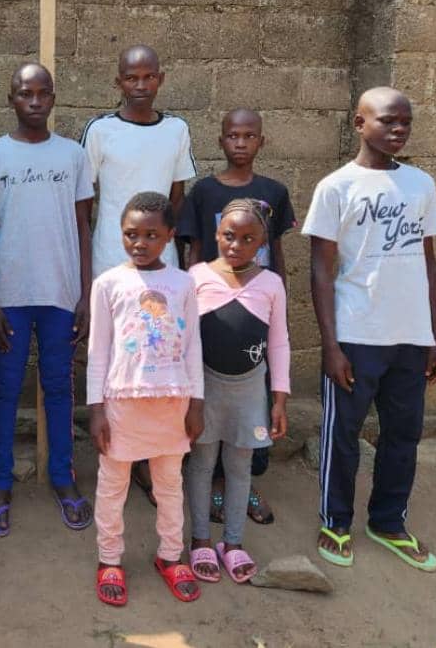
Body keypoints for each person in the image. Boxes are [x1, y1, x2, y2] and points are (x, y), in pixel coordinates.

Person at [303, 86, 436, 572]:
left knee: (403, 434)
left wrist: (435, 337)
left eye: (406, 121)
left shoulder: (421, 184)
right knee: (342, 434)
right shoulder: (336, 187)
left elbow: (429, 265)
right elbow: (320, 270)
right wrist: (331, 345)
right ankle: (335, 522)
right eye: (388, 120)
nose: (399, 129)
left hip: (410, 336)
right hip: (357, 334)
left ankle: (388, 522)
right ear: (360, 123)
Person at [0, 63, 94, 536]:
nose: (34, 101)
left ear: (53, 98)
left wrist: (85, 294)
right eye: (25, 93)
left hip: (61, 293)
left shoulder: (73, 156)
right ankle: (1, 483)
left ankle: (63, 477)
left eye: (43, 93)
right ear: (11, 99)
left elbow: (83, 226)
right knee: (5, 389)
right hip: (10, 295)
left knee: (60, 387)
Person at [178, 108, 297, 525]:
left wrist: (278, 299)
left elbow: (277, 251)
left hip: (256, 311)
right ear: (221, 140)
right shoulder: (203, 191)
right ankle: (211, 484)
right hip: (213, 312)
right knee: (207, 411)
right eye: (233, 135)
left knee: (252, 407)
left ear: (262, 141)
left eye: (249, 136)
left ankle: (241, 485)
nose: (241, 143)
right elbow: (193, 251)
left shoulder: (274, 191)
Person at [87, 192, 204, 607]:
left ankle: (170, 555)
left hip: (172, 403)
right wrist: (96, 410)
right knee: (113, 484)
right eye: (130, 234)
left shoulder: (183, 283)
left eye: (151, 235)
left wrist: (196, 402)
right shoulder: (107, 284)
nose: (139, 243)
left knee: (169, 484)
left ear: (170, 236)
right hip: (123, 403)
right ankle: (109, 559)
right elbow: (98, 351)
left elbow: (192, 346)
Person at [186, 199, 290, 585]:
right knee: (201, 463)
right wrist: (189, 398)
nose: (236, 245)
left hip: (249, 391)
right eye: (229, 235)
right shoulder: (196, 277)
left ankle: (232, 542)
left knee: (239, 466)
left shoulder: (271, 284)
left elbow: (279, 343)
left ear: (262, 242)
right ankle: (200, 538)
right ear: (216, 233)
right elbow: (185, 341)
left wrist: (279, 399)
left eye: (248, 239)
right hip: (205, 387)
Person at [81, 44, 196, 278]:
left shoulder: (176, 129)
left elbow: (177, 198)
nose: (141, 86)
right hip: (110, 257)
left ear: (161, 79)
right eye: (132, 78)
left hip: (162, 258)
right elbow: (83, 201)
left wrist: (168, 246)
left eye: (149, 77)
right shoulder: (100, 130)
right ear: (119, 82)